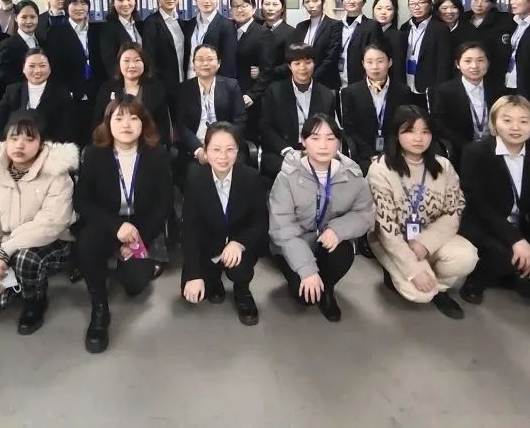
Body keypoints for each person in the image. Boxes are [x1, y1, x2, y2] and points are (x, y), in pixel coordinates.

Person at [74, 97, 174, 353]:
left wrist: (139, 239)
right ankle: (100, 309)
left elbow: (164, 203)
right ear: (108, 123)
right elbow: (82, 201)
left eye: (133, 118)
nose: (126, 125)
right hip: (108, 222)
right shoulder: (94, 154)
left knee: (134, 285)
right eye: (119, 118)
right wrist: (116, 227)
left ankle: (121, 264)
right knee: (88, 243)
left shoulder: (157, 154)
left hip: (142, 226)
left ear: (143, 123)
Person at [0, 112, 78, 335]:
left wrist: (5, 251)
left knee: (26, 258)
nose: (19, 145)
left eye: (29, 139)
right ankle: (18, 281)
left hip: (52, 242)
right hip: (6, 245)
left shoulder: (57, 173)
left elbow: (51, 222)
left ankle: (35, 300)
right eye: (14, 138)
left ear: (42, 143)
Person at [367, 106, 477, 319]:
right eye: (410, 131)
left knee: (467, 257)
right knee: (418, 294)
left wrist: (424, 243)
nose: (419, 138)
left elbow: (454, 211)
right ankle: (413, 277)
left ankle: (438, 288)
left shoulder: (443, 166)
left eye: (425, 131)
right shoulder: (380, 169)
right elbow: (387, 230)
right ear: (396, 134)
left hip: (429, 236)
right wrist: (413, 269)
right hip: (392, 240)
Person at [268, 114, 374, 322]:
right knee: (304, 297)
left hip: (328, 240)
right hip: (295, 242)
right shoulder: (287, 176)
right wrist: (307, 271)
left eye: (330, 138)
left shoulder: (352, 174)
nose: (323, 145)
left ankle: (327, 290)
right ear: (303, 141)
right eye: (315, 138)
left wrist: (338, 230)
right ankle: (307, 277)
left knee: (342, 252)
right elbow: (282, 229)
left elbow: (365, 213)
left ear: (339, 142)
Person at [458, 95, 530, 304]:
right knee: (504, 256)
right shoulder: (475, 153)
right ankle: (475, 282)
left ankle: (508, 270)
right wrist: (517, 241)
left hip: (520, 226)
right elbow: (480, 206)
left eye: (524, 121)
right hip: (483, 223)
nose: (515, 127)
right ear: (494, 123)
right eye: (507, 120)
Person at [181, 124, 267, 326]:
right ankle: (214, 279)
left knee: (240, 271)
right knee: (191, 291)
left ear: (238, 151)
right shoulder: (195, 179)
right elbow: (189, 229)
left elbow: (260, 221)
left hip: (239, 245)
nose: (223, 156)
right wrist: (194, 275)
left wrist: (239, 243)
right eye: (216, 149)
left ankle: (242, 292)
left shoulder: (251, 178)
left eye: (230, 149)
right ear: (206, 150)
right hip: (209, 244)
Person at [260, 44, 337, 184]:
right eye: (297, 63)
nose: (303, 67)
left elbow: (330, 129)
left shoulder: (326, 94)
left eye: (308, 62)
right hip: (283, 151)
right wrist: (287, 150)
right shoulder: (274, 91)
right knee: (288, 171)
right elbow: (266, 127)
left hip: (317, 150)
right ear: (289, 66)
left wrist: (314, 149)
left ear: (314, 64)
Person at [176, 44, 247, 181]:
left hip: (227, 145)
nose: (205, 63)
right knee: (192, 176)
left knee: (238, 174)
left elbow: (240, 119)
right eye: (200, 59)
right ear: (193, 64)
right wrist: (198, 151)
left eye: (210, 59)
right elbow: (181, 125)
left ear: (218, 63)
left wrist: (222, 146)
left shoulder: (231, 86)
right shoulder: (184, 89)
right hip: (196, 148)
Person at [427, 42, 504, 165]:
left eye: (480, 60)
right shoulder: (444, 91)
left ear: (488, 63)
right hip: (460, 150)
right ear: (457, 64)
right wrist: (467, 147)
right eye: (468, 61)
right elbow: (439, 125)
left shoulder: (499, 90)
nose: (474, 66)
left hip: (495, 149)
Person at [46, 0, 104, 146]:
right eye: (74, 3)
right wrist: (69, 92)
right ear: (66, 7)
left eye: (84, 3)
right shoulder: (56, 33)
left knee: (96, 140)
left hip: (96, 95)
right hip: (71, 97)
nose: (80, 8)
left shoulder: (98, 30)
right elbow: (55, 69)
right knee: (74, 141)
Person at [342, 44, 412, 175]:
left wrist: (389, 153)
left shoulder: (403, 91)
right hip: (363, 155)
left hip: (395, 153)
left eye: (380, 61)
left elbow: (404, 126)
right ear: (363, 63)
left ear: (389, 62)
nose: (375, 67)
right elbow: (350, 128)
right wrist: (369, 155)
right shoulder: (351, 92)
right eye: (369, 62)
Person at [94, 42, 171, 147]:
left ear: (144, 63)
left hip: (149, 146)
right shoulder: (107, 89)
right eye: (126, 61)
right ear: (119, 64)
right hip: (112, 147)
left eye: (137, 60)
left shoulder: (156, 88)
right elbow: (98, 123)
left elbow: (163, 126)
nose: (132, 65)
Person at [0, 48, 72, 144]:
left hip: (48, 147)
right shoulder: (12, 91)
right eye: (32, 66)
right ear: (24, 69)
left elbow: (65, 130)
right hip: (14, 146)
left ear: (49, 69)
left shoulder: (61, 93)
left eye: (42, 66)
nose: (37, 71)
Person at [141, 0, 187, 123]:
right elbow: (149, 58)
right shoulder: (151, 23)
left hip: (183, 85)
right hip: (162, 88)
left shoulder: (182, 23)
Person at [230, 0, 274, 144]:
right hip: (229, 94)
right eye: (235, 6)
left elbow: (267, 70)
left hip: (249, 97)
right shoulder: (229, 29)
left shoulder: (262, 33)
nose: (239, 10)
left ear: (254, 8)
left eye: (244, 5)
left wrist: (252, 95)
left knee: (247, 140)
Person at [400, 0, 452, 109]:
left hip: (428, 86)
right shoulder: (405, 27)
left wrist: (440, 90)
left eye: (421, 2)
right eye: (412, 4)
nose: (417, 7)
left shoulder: (440, 28)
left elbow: (444, 63)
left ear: (430, 4)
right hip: (407, 84)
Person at [461, 0, 513, 85]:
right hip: (467, 75)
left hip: (495, 75)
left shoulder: (506, 21)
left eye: (485, 1)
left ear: (493, 3)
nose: (478, 4)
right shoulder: (463, 19)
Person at [185, 0, 237, 78]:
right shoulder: (189, 24)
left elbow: (228, 62)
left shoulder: (226, 25)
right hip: (190, 79)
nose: (206, 1)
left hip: (213, 82)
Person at [292, 0, 339, 89]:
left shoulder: (334, 25)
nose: (311, 5)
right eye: (307, 2)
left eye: (315, 1)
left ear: (323, 2)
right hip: (302, 79)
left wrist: (312, 77)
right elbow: (295, 54)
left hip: (326, 82)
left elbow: (332, 57)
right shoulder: (300, 26)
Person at [335, 0, 380, 91]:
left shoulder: (372, 26)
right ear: (342, 1)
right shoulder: (336, 25)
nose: (352, 1)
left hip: (360, 82)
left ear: (364, 1)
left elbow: (375, 56)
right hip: (336, 81)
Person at [0, 0, 45, 87]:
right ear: (16, 18)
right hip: (19, 92)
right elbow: (4, 75)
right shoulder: (7, 45)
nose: (29, 21)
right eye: (24, 17)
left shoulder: (43, 43)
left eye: (32, 17)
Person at [98, 0, 143, 73]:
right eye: (120, 0)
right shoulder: (107, 29)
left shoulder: (141, 25)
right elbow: (110, 63)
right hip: (122, 78)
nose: (125, 4)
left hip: (143, 77)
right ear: (113, 3)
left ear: (135, 1)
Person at [261, 0, 295, 78]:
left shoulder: (290, 32)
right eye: (267, 4)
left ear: (282, 8)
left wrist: (265, 72)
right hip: (256, 83)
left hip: (279, 82)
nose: (270, 8)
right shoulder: (258, 29)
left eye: (275, 4)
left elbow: (291, 63)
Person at [372, 0, 404, 83]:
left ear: (395, 12)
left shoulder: (398, 36)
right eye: (379, 8)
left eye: (389, 9)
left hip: (389, 83)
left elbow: (398, 68)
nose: (383, 12)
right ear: (373, 10)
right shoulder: (369, 32)